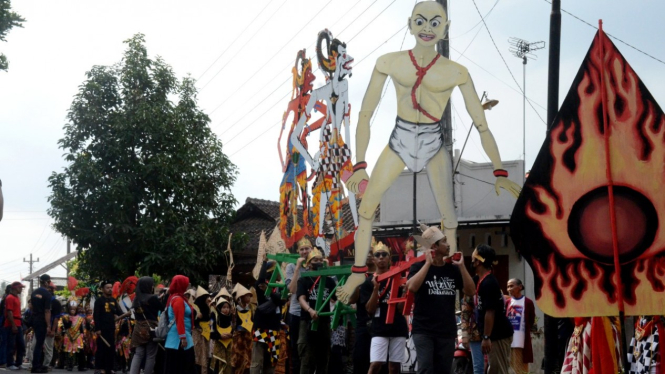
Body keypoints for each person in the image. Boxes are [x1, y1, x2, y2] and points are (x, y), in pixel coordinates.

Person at [336, 0, 521, 304]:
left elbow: (481, 123)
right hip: (400, 138)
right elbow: (365, 114)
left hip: (434, 141)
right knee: (367, 208)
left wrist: (499, 171)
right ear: (410, 24)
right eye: (421, 21)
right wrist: (360, 164)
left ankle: (448, 269)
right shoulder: (389, 62)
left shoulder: (456, 72)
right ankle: (358, 271)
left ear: (445, 29)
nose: (427, 28)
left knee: (449, 214)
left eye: (436, 23)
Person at [406, 224, 475, 374]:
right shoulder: (418, 267)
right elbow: (411, 287)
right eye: (444, 241)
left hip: (446, 331)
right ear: (434, 246)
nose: (448, 244)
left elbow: (471, 291)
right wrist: (428, 264)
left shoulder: (453, 269)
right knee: (426, 369)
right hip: (423, 330)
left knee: (443, 370)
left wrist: (462, 267)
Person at [362, 242, 408, 374]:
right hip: (379, 327)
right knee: (375, 365)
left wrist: (405, 292)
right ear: (374, 259)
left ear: (389, 258)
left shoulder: (397, 278)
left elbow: (401, 309)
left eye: (384, 254)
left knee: (394, 367)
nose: (381, 257)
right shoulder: (368, 282)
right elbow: (370, 309)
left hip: (397, 326)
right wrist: (375, 289)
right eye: (377, 255)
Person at [472, 245, 513, 374]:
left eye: (473, 257)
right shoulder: (480, 280)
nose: (471, 261)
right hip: (494, 335)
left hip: (498, 335)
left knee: (498, 370)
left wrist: (486, 337)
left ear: (478, 261)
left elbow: (490, 311)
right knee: (493, 370)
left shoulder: (489, 282)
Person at [297, 248, 337, 374]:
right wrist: (309, 310)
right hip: (307, 322)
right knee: (307, 358)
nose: (319, 262)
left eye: (320, 260)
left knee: (323, 358)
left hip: (324, 323)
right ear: (309, 263)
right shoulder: (303, 280)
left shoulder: (329, 281)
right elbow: (301, 298)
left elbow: (336, 299)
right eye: (315, 260)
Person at [252, 260, 287, 374]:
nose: (280, 274)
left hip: (274, 328)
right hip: (260, 328)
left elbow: (281, 301)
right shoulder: (260, 285)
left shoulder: (280, 287)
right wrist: (264, 262)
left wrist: (270, 292)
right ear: (272, 272)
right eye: (277, 271)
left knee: (271, 360)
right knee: (257, 360)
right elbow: (260, 280)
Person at [285, 237, 312, 374]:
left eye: (307, 248)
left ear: (312, 250)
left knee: (311, 348)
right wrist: (297, 268)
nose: (305, 251)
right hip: (296, 312)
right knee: (296, 347)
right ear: (298, 251)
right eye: (302, 249)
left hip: (313, 312)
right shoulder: (291, 266)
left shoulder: (315, 263)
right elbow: (292, 290)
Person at [94, 280, 130, 374]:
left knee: (111, 348)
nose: (110, 290)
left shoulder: (113, 300)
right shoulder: (99, 301)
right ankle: (99, 368)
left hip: (111, 328)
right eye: (107, 288)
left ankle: (109, 368)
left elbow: (119, 313)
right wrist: (97, 329)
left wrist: (127, 314)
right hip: (102, 329)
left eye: (111, 288)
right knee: (101, 348)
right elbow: (96, 316)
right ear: (102, 289)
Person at [349, 247, 376, 374]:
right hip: (363, 323)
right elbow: (351, 300)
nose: (369, 256)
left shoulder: (384, 274)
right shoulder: (359, 275)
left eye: (372, 254)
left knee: (378, 361)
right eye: (367, 253)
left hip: (380, 323)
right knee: (360, 358)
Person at [164, 275, 196, 374]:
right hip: (179, 340)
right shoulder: (178, 300)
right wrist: (182, 337)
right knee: (183, 367)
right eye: (185, 284)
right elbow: (179, 319)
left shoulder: (174, 297)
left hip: (176, 339)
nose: (187, 287)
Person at [129, 276, 161, 374]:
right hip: (151, 328)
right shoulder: (152, 298)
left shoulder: (136, 298)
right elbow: (163, 308)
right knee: (151, 355)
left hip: (138, 328)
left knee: (138, 353)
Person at [506, 279, 535, 374]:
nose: (509, 289)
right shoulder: (507, 303)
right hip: (508, 341)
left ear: (520, 287)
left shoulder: (528, 302)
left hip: (521, 341)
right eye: (508, 286)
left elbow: (531, 320)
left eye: (511, 286)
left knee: (521, 369)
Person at [30, 274, 53, 373]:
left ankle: (37, 364)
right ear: (47, 282)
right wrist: (48, 325)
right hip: (42, 320)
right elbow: (47, 311)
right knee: (39, 344)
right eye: (49, 282)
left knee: (38, 343)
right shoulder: (47, 294)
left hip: (34, 318)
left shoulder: (34, 292)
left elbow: (30, 307)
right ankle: (36, 366)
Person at [231, 283, 255, 374]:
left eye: (249, 296)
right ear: (241, 297)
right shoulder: (235, 309)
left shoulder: (251, 309)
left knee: (248, 359)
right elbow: (233, 325)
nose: (249, 298)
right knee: (238, 359)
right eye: (247, 296)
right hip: (239, 338)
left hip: (248, 338)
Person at [58, 299, 86, 371]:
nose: (72, 310)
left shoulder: (80, 318)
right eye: (71, 309)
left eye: (74, 309)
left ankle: (81, 366)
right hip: (68, 335)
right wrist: (70, 319)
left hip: (78, 335)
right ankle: (69, 365)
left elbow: (81, 328)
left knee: (80, 350)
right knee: (68, 351)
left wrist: (82, 335)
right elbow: (66, 326)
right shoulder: (65, 317)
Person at [210, 295, 234, 374]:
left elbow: (234, 329)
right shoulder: (214, 317)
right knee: (218, 365)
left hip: (229, 346)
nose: (226, 309)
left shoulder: (231, 317)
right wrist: (220, 336)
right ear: (219, 308)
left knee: (229, 365)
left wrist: (231, 335)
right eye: (224, 307)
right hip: (219, 346)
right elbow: (211, 332)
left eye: (227, 307)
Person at [5, 281, 26, 370]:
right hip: (12, 324)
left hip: (18, 323)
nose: (21, 289)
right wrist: (13, 325)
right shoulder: (10, 297)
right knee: (11, 345)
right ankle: (10, 363)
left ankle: (18, 363)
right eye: (20, 287)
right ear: (15, 288)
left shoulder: (17, 297)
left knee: (21, 344)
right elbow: (9, 312)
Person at [192, 286, 211, 374]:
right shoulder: (194, 308)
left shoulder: (207, 308)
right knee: (198, 355)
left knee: (205, 355)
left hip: (206, 334)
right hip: (197, 334)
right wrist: (196, 317)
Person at [43, 282, 62, 370]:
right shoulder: (42, 301)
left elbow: (56, 318)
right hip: (41, 327)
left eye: (50, 289)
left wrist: (53, 329)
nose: (48, 290)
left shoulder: (56, 302)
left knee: (49, 347)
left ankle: (48, 364)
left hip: (50, 328)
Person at [0, 284, 12, 368]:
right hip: (4, 323)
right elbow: (6, 313)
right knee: (5, 342)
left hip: (3, 322)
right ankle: (3, 361)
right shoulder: (7, 299)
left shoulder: (4, 298)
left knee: (5, 342)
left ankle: (4, 361)